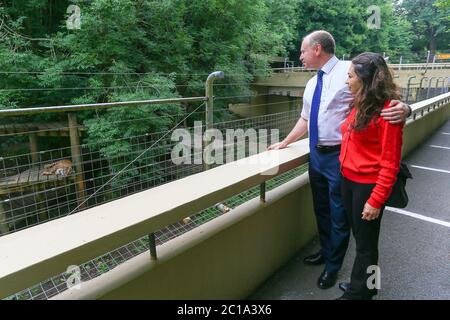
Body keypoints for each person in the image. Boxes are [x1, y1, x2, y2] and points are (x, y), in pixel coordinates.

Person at [268, 30, 410, 289]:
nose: (299, 56)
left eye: (302, 51)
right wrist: (286, 142)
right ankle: (326, 252)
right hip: (317, 156)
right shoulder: (312, 83)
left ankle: (334, 267)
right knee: (321, 209)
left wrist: (405, 107)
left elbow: (381, 95)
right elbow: (306, 118)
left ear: (318, 49)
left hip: (341, 157)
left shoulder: (351, 70)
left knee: (339, 216)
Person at [336, 52, 403, 300]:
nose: (347, 81)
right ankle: (368, 284)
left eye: (351, 76)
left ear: (365, 78)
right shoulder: (361, 103)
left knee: (365, 244)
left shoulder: (388, 112)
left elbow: (390, 163)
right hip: (349, 181)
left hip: (367, 186)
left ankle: (359, 294)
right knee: (362, 239)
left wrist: (375, 200)